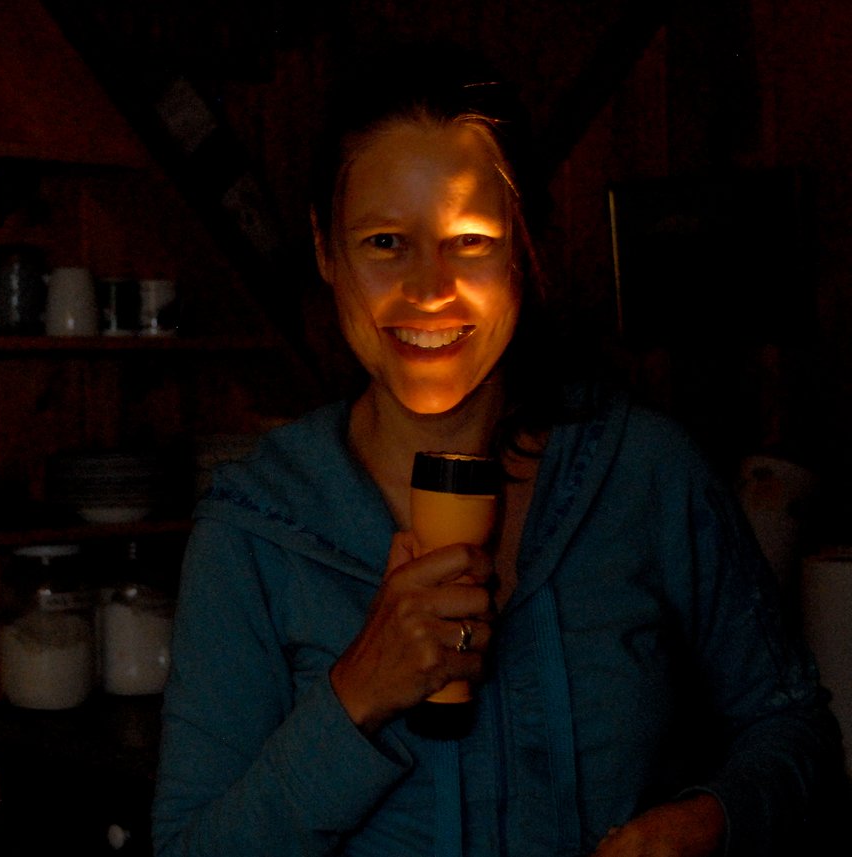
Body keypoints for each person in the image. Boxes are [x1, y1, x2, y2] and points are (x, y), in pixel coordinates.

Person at [150, 40, 846, 857]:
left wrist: (708, 819)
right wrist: (356, 693)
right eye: (384, 242)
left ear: (523, 247)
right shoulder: (254, 527)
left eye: (470, 239)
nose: (429, 288)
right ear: (324, 250)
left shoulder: (646, 471)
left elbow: (797, 731)